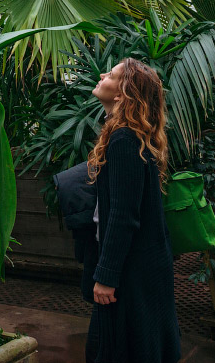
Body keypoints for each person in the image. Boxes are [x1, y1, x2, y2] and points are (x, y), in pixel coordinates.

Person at [83, 58, 181, 363]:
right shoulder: (132, 137)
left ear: (121, 94)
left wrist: (107, 276)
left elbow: (124, 216)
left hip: (129, 271)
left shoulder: (125, 139)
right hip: (143, 265)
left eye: (110, 74)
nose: (102, 75)